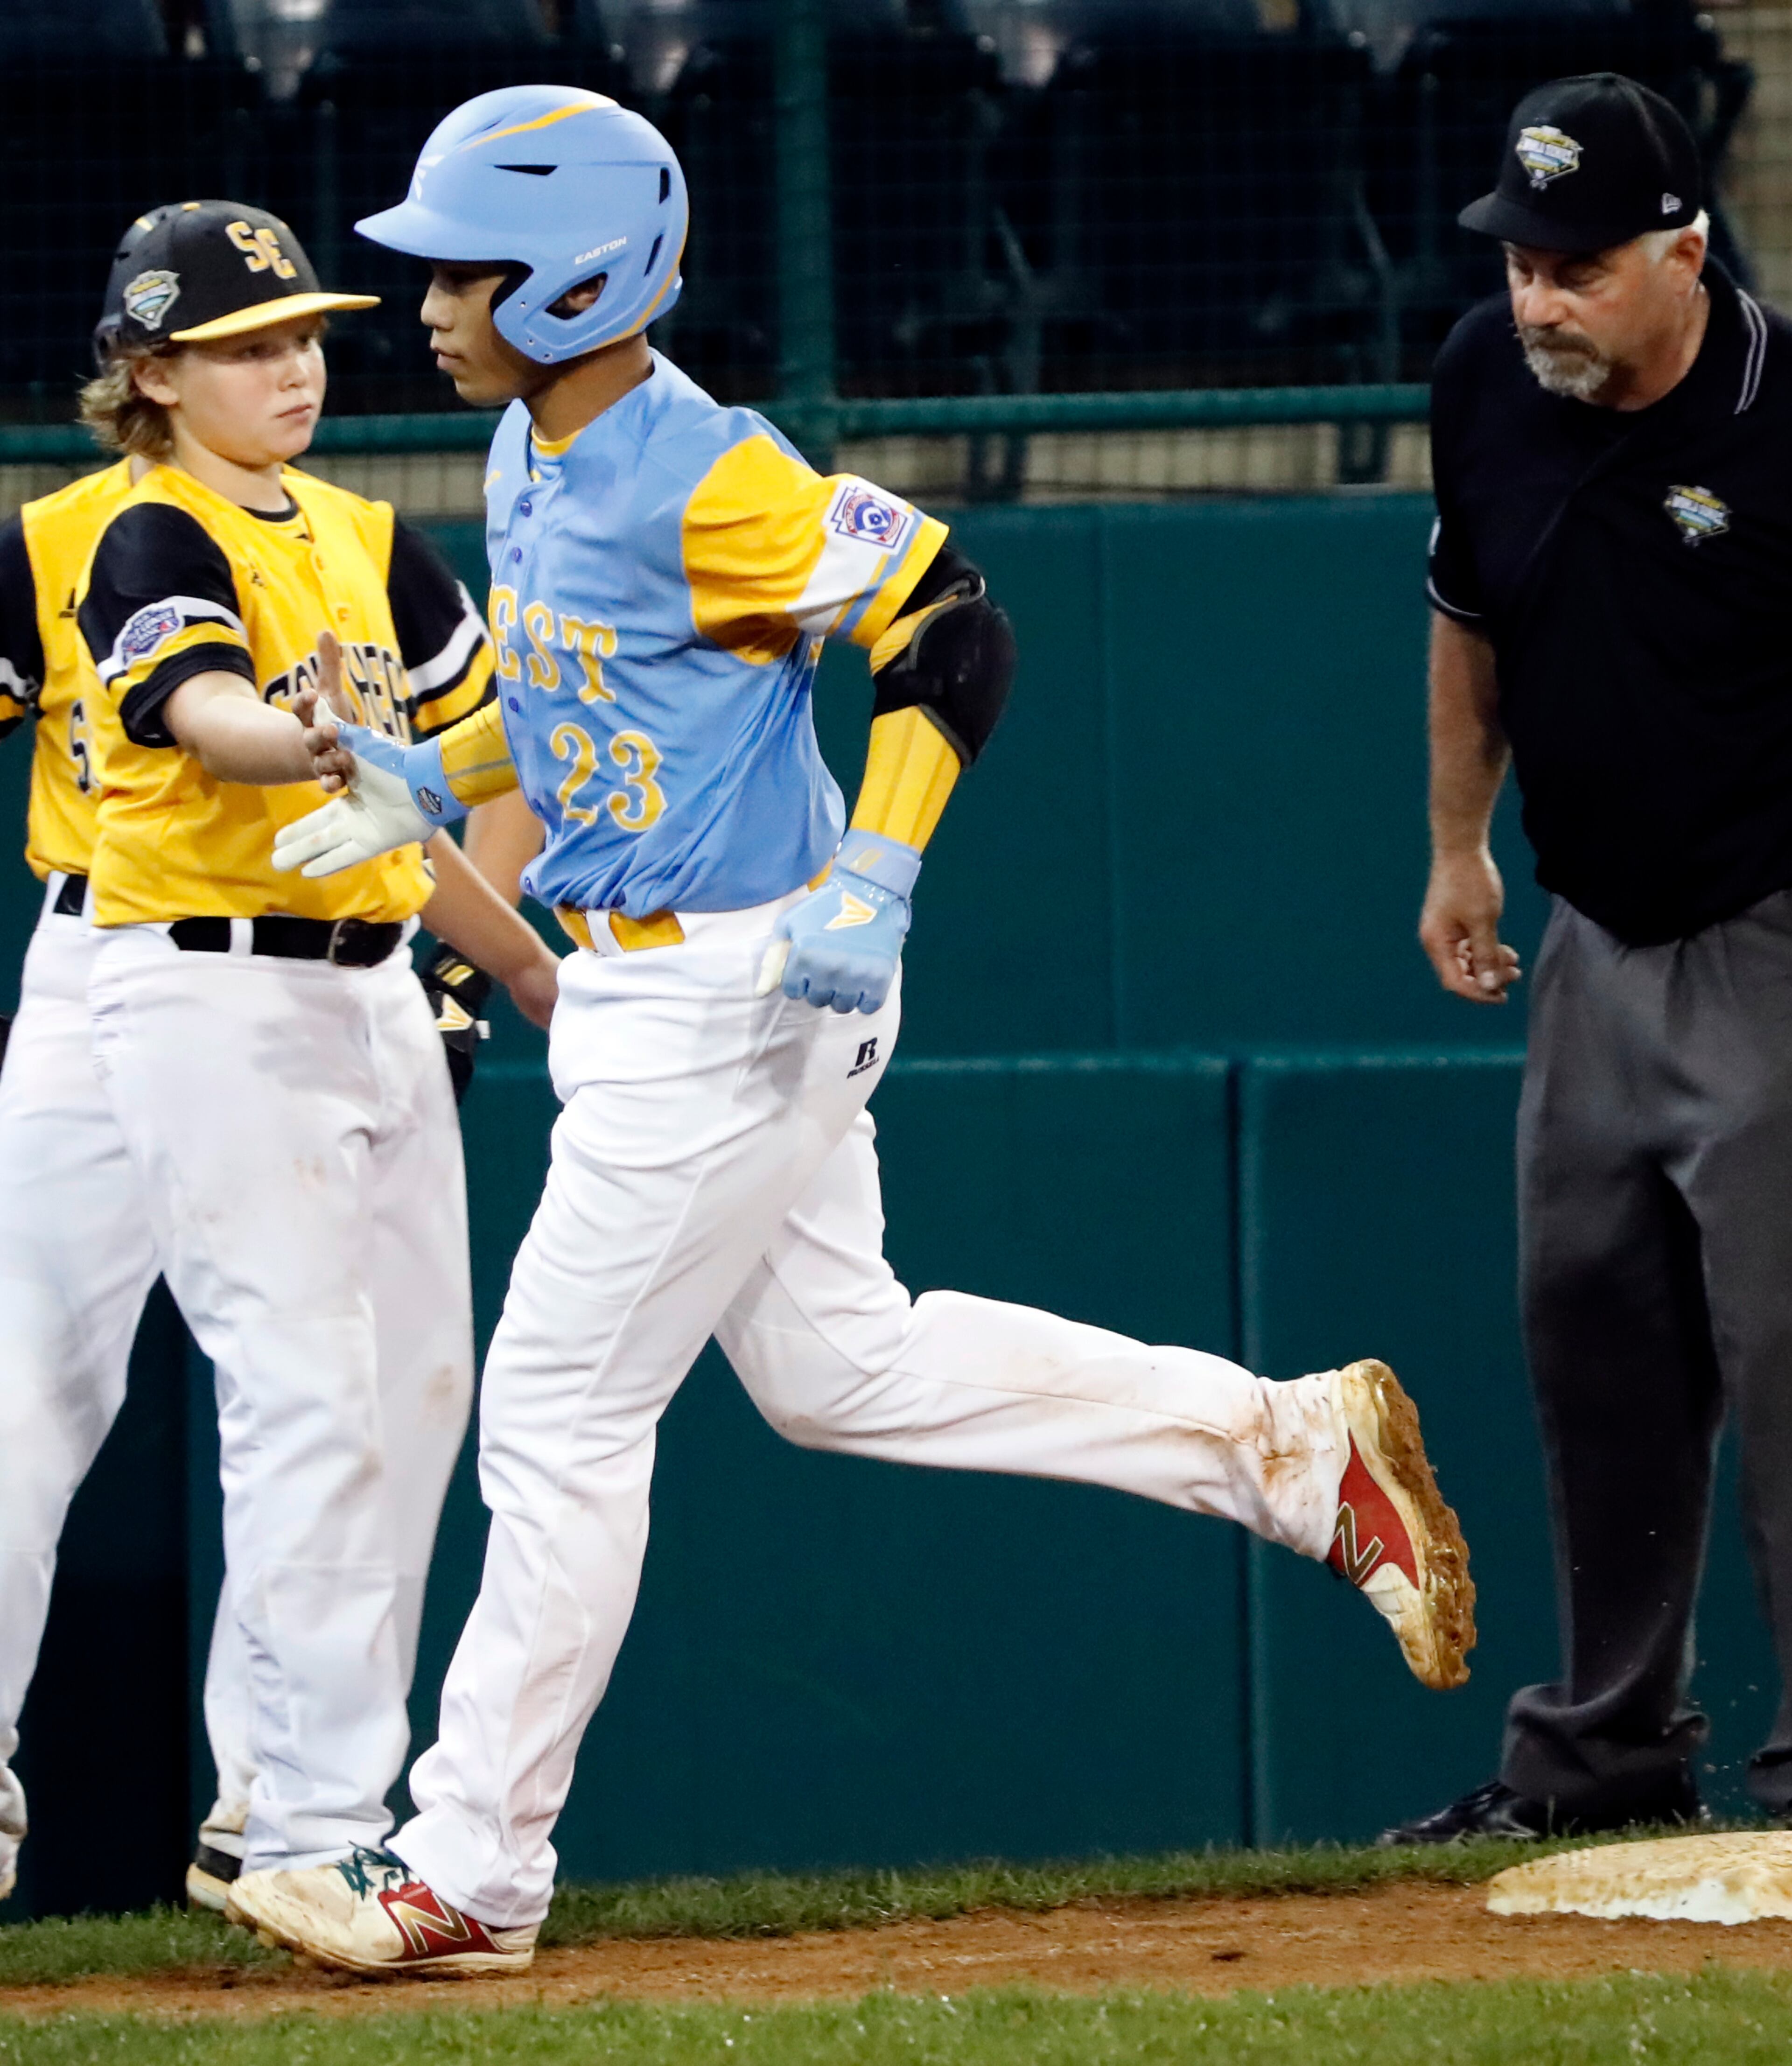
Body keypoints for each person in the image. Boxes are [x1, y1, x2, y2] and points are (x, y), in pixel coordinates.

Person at [224, 87, 1476, 1977]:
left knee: (560, 1413)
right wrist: (430, 771)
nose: (422, 298)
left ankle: (470, 1866)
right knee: (842, 1370)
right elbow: (580, 705)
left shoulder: (705, 470)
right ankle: (1287, 1445)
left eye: (457, 267)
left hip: (739, 986)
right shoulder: (521, 454)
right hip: (659, 981)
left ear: (575, 278)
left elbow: (952, 625)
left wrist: (877, 871)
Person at [35, 198, 560, 1898]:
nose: (297, 364)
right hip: (174, 976)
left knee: (411, 1391)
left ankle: (286, 1805)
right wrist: (321, 745)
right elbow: (214, 717)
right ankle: (326, 1827)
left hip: (373, 972)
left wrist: (535, 985)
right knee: (220, 1393)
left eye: (307, 333)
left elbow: (474, 788)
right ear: (154, 371)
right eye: (251, 342)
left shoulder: (367, 536)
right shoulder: (123, 539)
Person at [1389, 73, 1792, 1842]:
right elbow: (1466, 612)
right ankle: (1607, 1758)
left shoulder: (1791, 415)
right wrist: (1459, 846)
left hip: (1771, 933)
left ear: (1687, 251)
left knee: (1788, 1355)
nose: (1537, 297)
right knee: (1594, 1341)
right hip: (1591, 931)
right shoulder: (1486, 376)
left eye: (1578, 265)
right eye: (1522, 258)